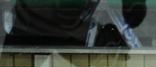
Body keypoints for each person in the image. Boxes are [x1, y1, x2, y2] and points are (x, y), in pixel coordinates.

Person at [3, 0, 147, 47]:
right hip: (31, 29)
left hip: (64, 29)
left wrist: (135, 6)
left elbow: (135, 10)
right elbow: (67, 20)